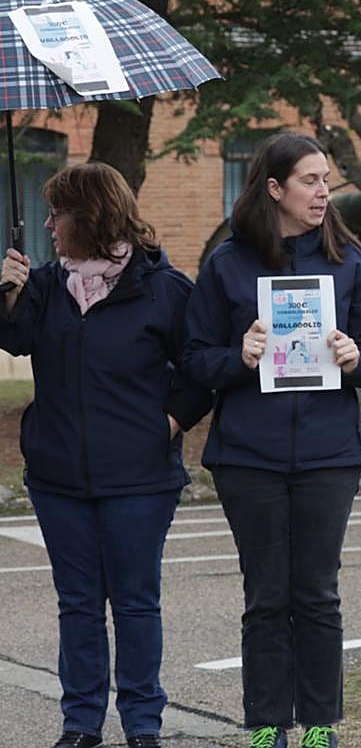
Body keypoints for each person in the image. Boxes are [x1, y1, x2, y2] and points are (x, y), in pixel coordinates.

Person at [183, 132, 361, 748]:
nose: (324, 191)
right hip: (250, 456)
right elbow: (195, 359)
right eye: (309, 180)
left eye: (326, 179)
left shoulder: (348, 260)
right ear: (274, 189)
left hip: (330, 454)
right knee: (266, 595)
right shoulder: (226, 264)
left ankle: (321, 724)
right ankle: (268, 724)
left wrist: (356, 357)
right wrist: (237, 357)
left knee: (318, 593)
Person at [0, 163, 211, 748]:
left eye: (57, 213)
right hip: (57, 475)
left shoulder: (164, 288)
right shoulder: (44, 284)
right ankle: (81, 724)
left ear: (89, 217)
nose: (48, 224)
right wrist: (8, 289)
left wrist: (165, 424)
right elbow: (13, 339)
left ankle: (143, 723)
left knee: (136, 603)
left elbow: (199, 375)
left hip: (140, 479)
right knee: (78, 605)